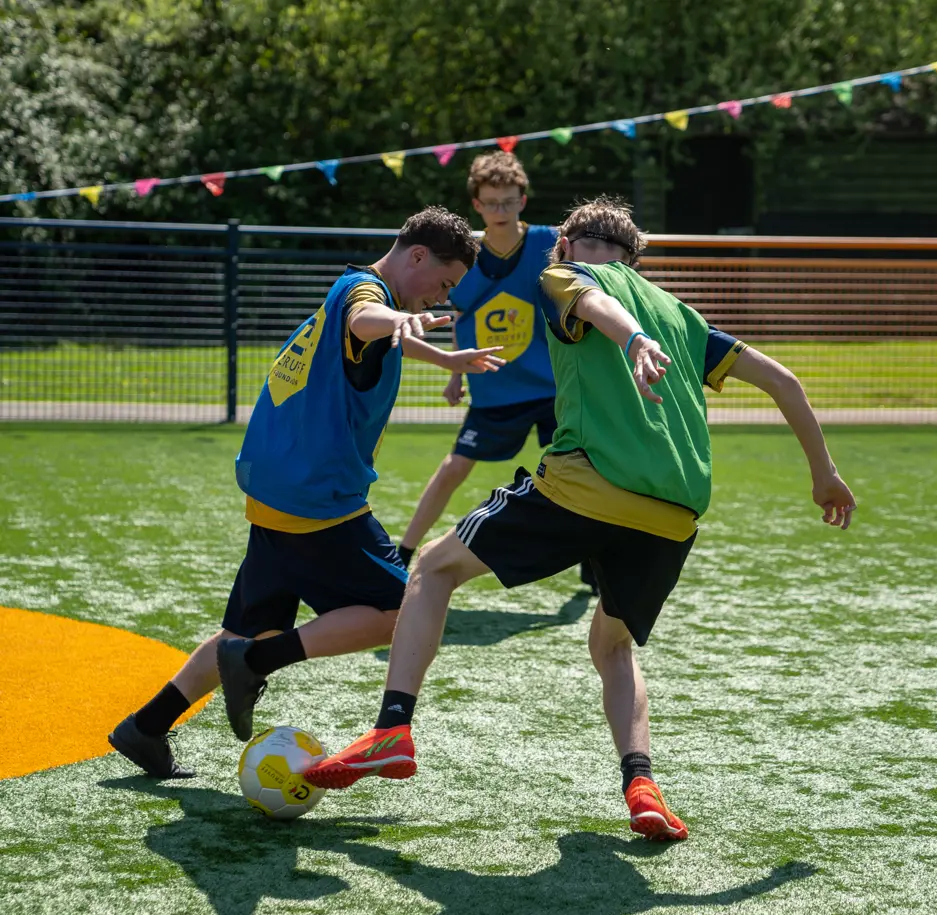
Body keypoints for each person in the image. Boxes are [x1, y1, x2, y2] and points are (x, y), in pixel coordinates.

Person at [305, 196, 857, 840]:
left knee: (432, 568)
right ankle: (641, 783)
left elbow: (594, 302)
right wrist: (824, 475)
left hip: (586, 484)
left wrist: (632, 339)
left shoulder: (564, 274)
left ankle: (392, 729)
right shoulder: (682, 314)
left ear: (564, 246)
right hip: (674, 513)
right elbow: (785, 381)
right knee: (612, 647)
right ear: (635, 257)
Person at [108, 207, 504, 778]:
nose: (438, 299)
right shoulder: (364, 296)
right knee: (404, 609)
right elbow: (370, 321)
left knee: (245, 627)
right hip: (318, 500)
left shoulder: (347, 290)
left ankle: (146, 726)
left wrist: (442, 356)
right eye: (443, 284)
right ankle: (258, 662)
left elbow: (374, 335)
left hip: (277, 491)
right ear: (417, 254)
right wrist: (394, 320)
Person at [397, 154, 597, 589]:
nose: (501, 211)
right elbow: (461, 317)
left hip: (552, 385)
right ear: (477, 204)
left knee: (584, 466)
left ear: (523, 201)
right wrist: (454, 375)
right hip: (494, 387)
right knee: (454, 468)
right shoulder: (464, 256)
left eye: (509, 202)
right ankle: (403, 553)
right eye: (492, 203)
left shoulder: (551, 244)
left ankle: (593, 555)